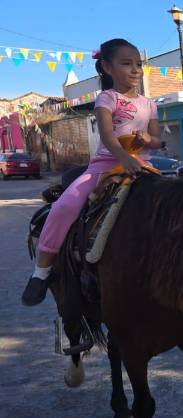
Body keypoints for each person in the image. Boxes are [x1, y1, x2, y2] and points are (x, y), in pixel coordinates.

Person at [21, 38, 161, 306]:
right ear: (107, 67)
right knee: (64, 206)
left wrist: (148, 140)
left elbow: (157, 139)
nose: (135, 70)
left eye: (139, 64)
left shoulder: (149, 104)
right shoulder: (106, 98)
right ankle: (41, 271)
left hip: (142, 165)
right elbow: (108, 137)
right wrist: (124, 157)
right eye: (126, 63)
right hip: (106, 165)